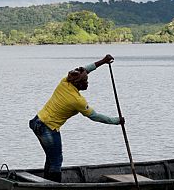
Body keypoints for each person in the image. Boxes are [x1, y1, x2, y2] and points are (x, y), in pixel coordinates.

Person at [29, 54, 124, 182]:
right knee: (57, 160)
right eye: (85, 82)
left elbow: (85, 70)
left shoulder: (65, 82)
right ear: (78, 83)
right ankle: (53, 188)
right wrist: (116, 121)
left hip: (36, 122)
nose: (87, 83)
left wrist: (103, 61)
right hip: (48, 128)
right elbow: (94, 116)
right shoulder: (77, 100)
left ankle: (46, 183)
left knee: (51, 157)